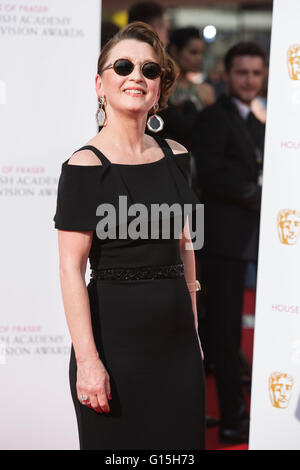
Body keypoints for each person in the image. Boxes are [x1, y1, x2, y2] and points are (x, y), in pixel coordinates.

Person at [53, 21, 205, 450]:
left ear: (159, 88)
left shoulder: (176, 156)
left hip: (177, 345)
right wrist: (88, 362)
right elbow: (70, 269)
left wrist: (193, 330)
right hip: (114, 347)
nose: (136, 76)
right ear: (100, 84)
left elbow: (185, 246)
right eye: (123, 66)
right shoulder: (85, 166)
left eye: (149, 70)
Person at [192, 42, 267, 444]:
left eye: (256, 73)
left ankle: (255, 407)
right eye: (242, 73)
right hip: (224, 244)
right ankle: (234, 416)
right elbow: (211, 173)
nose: (249, 80)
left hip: (264, 243)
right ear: (226, 73)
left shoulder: (266, 120)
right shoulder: (211, 118)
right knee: (222, 334)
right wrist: (260, 190)